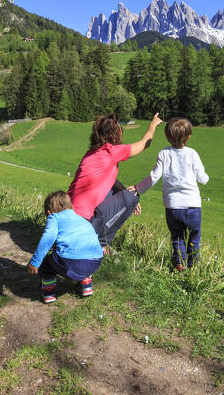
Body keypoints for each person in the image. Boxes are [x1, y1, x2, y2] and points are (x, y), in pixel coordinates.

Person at [68, 113, 163, 247]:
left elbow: (109, 181)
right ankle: (100, 244)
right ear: (115, 133)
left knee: (119, 192)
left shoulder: (91, 153)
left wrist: (123, 190)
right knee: (132, 196)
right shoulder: (111, 151)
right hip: (82, 223)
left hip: (66, 218)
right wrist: (153, 124)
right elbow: (144, 144)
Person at [133, 117, 209, 270]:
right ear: (188, 137)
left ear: (167, 136)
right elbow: (202, 178)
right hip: (193, 205)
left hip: (172, 206)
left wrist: (137, 188)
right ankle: (193, 266)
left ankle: (179, 263)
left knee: (177, 237)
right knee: (194, 236)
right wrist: (206, 178)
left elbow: (154, 177)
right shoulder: (192, 154)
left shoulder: (164, 154)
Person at [27, 190, 103, 303]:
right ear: (72, 207)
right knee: (83, 254)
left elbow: (48, 237)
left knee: (46, 261)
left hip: (72, 263)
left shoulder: (54, 217)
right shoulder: (83, 220)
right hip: (95, 261)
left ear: (48, 212)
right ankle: (86, 283)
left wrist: (35, 262)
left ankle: (48, 291)